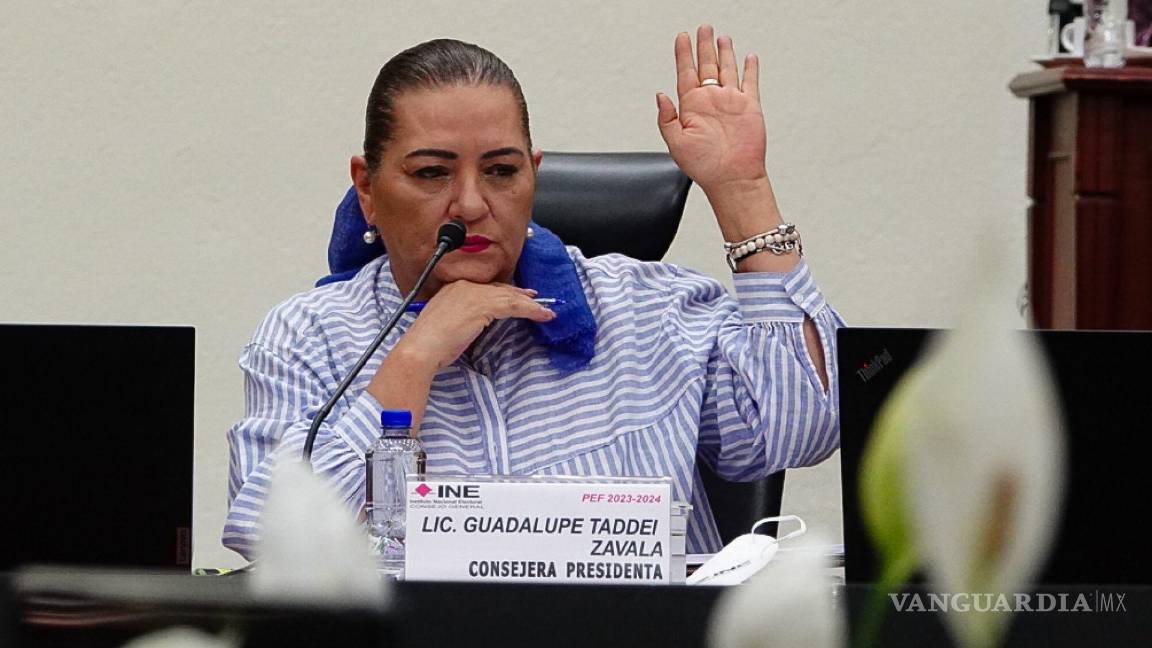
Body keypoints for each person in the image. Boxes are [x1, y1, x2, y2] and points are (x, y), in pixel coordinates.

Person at [224, 26, 843, 559]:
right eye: (432, 173)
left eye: (501, 171)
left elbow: (803, 426)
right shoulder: (308, 336)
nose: (470, 203)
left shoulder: (648, 310)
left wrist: (742, 190)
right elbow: (270, 539)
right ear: (368, 187)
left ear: (533, 175)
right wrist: (412, 362)